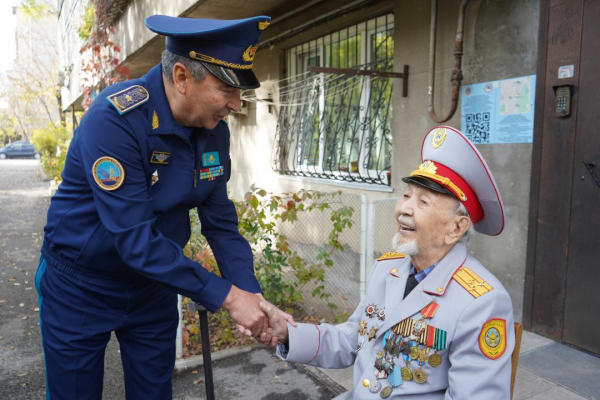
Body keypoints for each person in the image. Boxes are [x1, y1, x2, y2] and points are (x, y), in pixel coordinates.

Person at [35, 14, 292, 399]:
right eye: (227, 88)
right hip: (80, 285)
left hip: (152, 287)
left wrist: (251, 296)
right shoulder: (116, 119)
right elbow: (136, 241)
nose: (236, 105)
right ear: (182, 77)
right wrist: (227, 297)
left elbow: (220, 223)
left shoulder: (213, 130)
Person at [259, 126, 515, 399]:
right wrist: (288, 333)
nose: (403, 208)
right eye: (406, 195)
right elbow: (351, 339)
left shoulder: (482, 302)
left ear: (456, 228)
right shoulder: (387, 268)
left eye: (423, 201)